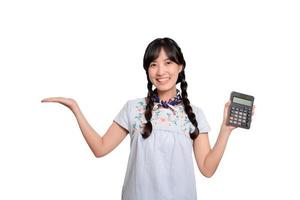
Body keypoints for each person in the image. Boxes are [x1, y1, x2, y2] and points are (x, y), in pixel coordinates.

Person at [41, 37, 255, 200]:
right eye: (153, 64)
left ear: (180, 67)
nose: (161, 71)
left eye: (168, 62)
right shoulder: (133, 108)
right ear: (147, 70)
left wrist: (226, 129)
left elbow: (207, 169)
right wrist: (75, 108)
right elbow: (100, 148)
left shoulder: (195, 114)